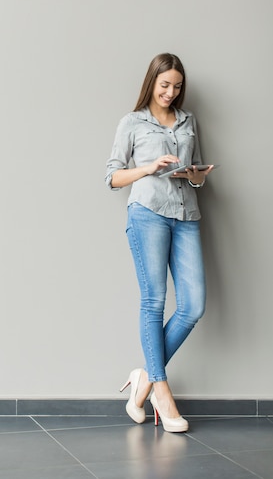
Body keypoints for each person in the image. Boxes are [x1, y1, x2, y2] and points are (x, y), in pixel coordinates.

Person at [105, 53, 214, 433]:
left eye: (177, 86)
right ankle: (162, 391)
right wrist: (150, 167)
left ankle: (145, 378)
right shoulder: (132, 122)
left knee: (193, 305)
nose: (171, 92)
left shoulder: (188, 121)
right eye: (165, 84)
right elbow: (113, 176)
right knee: (153, 302)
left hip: (186, 215)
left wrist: (197, 176)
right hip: (148, 213)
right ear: (151, 81)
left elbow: (195, 170)